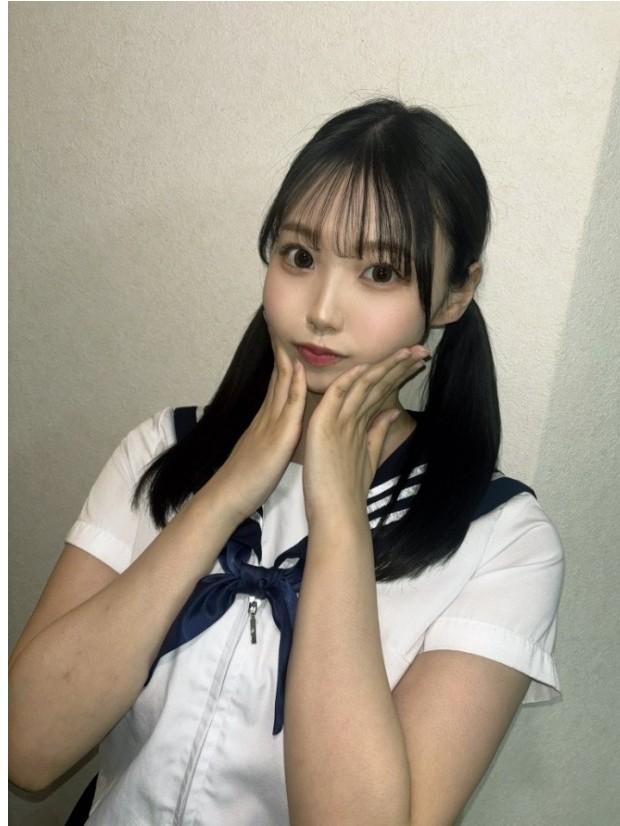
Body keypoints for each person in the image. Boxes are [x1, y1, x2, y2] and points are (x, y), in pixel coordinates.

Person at [9, 97, 565, 825]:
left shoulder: (503, 539)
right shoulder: (161, 451)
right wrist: (224, 494)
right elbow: (27, 749)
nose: (323, 310)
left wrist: (339, 519)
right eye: (300, 257)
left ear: (455, 294)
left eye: (381, 272)